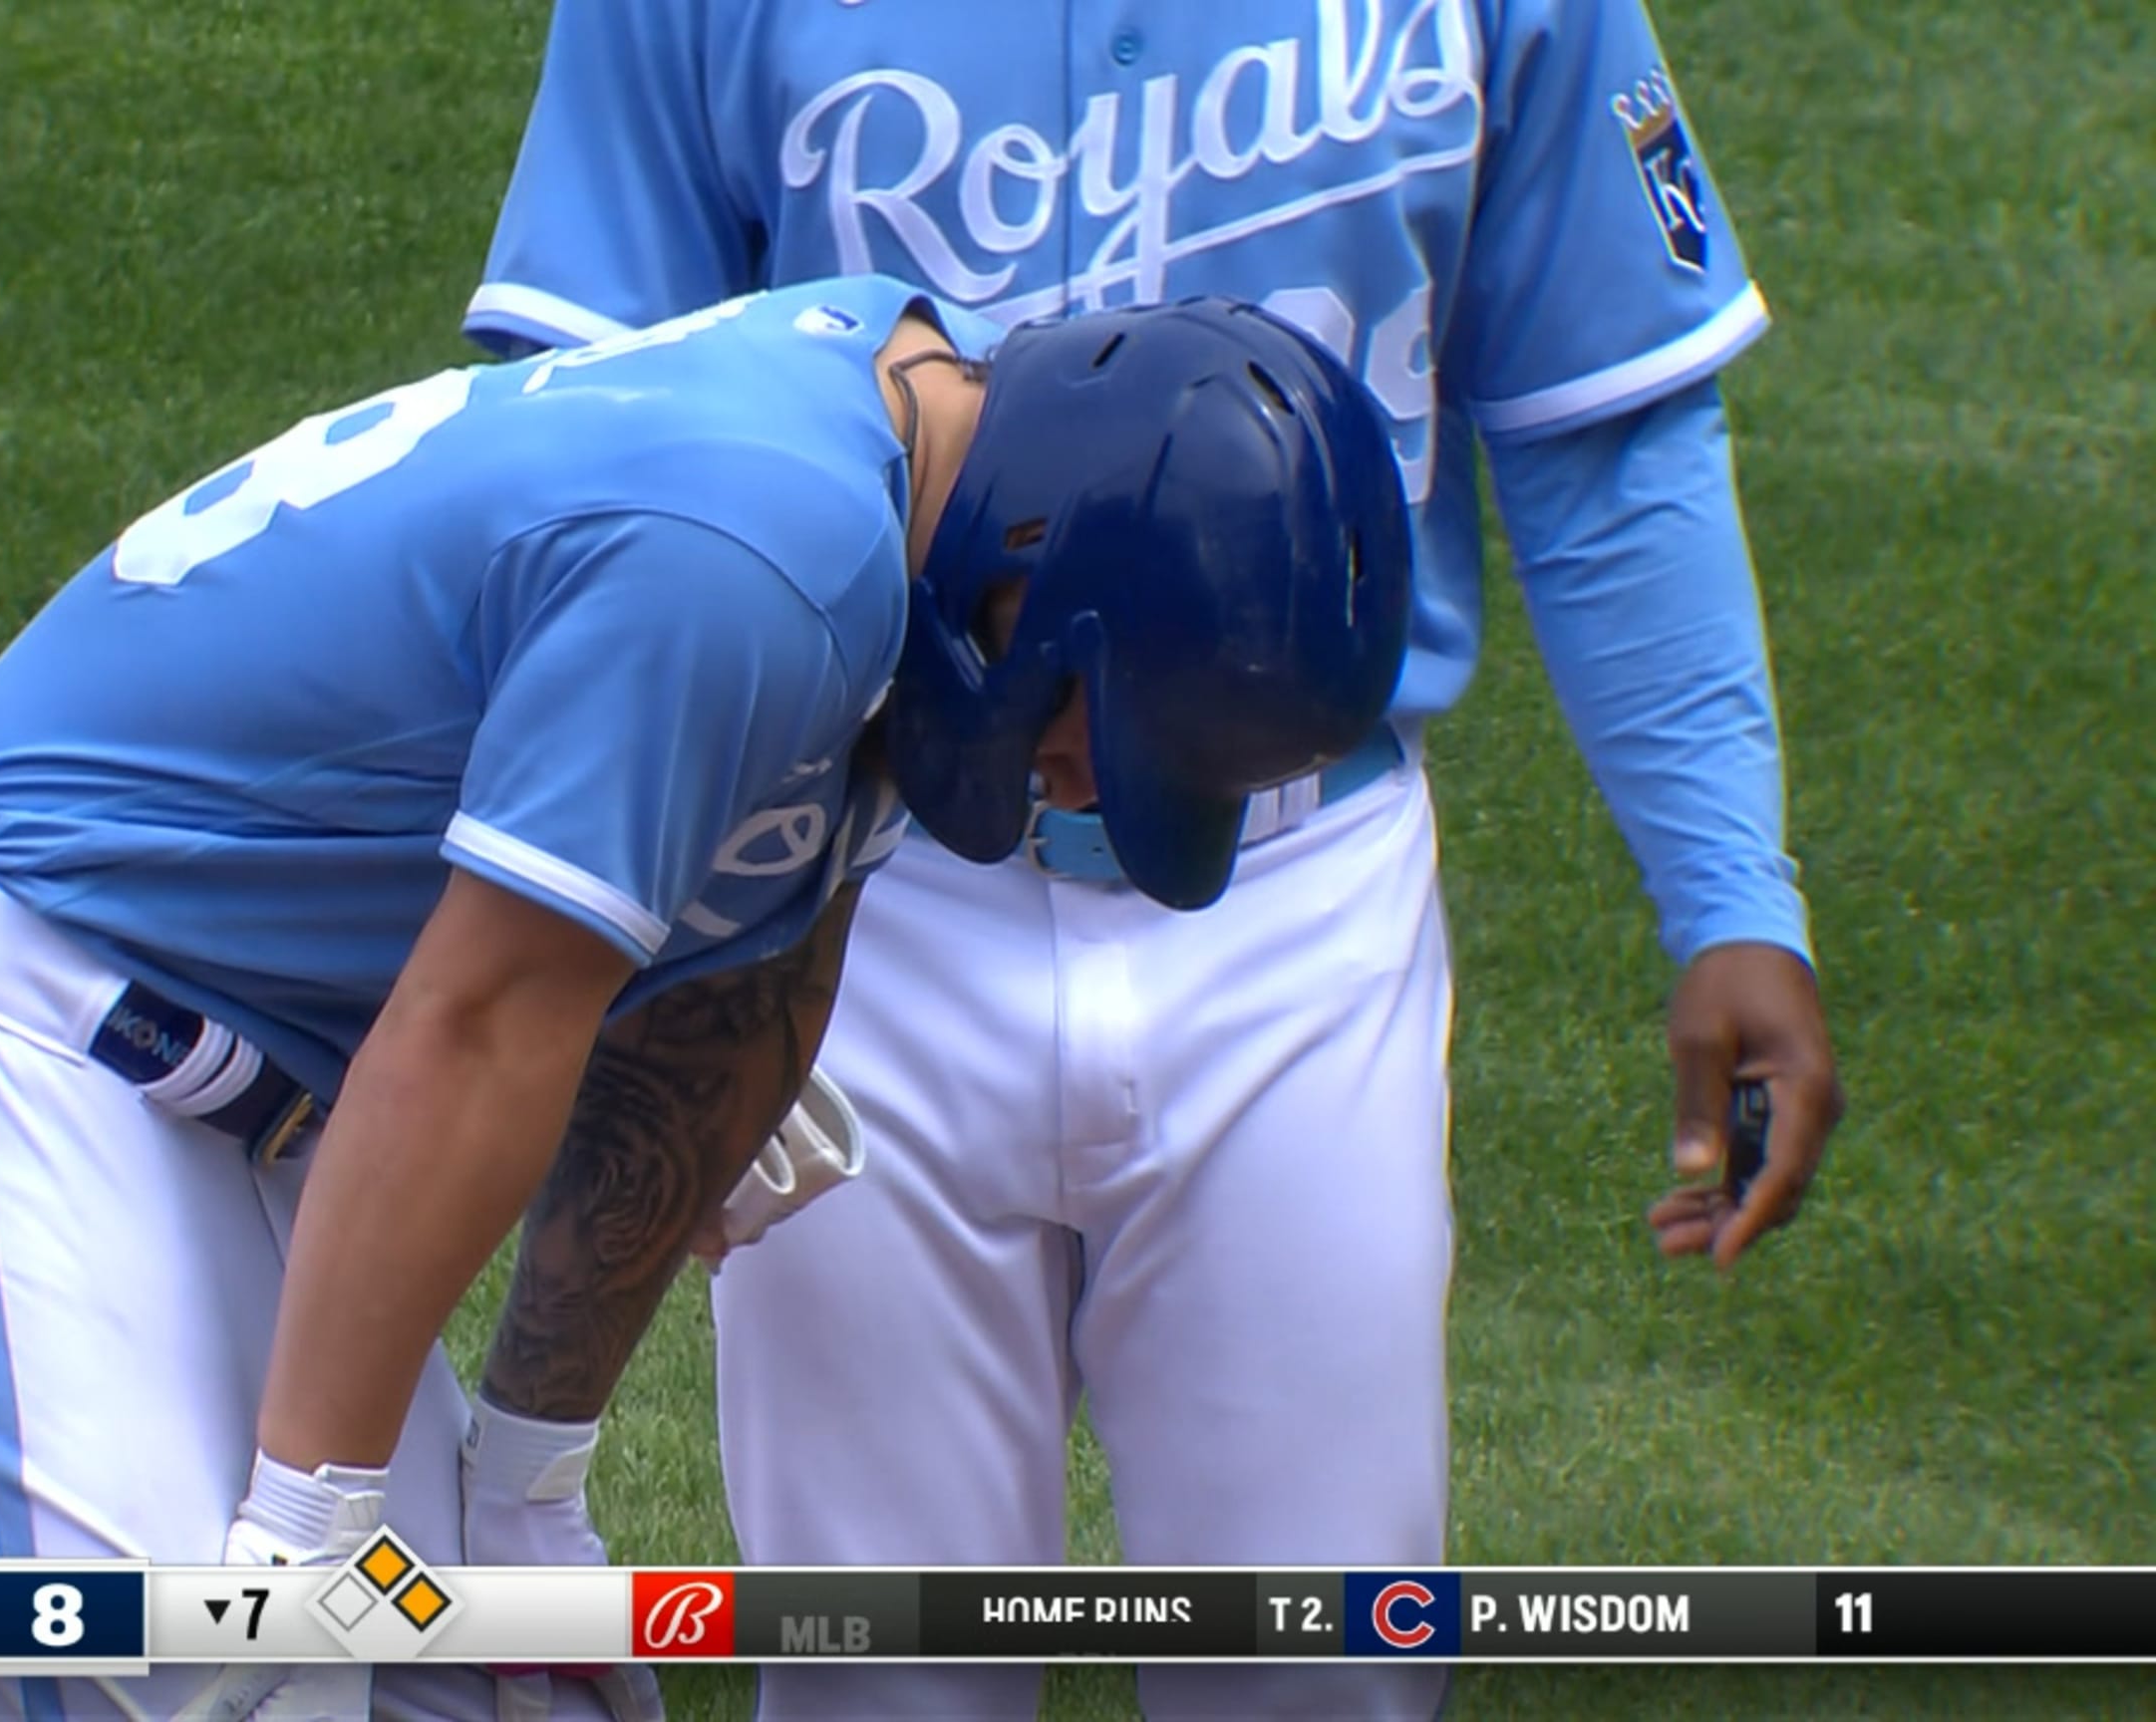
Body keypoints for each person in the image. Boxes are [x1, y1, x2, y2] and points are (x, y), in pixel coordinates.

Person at [0, 275, 1413, 1722]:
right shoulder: (753, 556)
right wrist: (308, 1540)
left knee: (489, 1697)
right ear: (1047, 578)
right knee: (212, 1682)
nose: (1083, 789)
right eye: (1099, 732)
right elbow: (482, 1029)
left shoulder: (914, 490)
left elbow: (722, 1017)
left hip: (247, 1128)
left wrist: (526, 1494)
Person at [466, 3, 1851, 1719]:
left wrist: (1730, 893)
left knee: (1322, 1674)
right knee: (879, 1682)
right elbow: (591, 434)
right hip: (852, 908)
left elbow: (1608, 430)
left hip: (1297, 914)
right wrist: (657, 930)